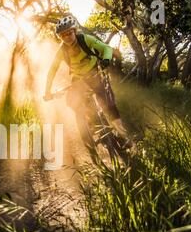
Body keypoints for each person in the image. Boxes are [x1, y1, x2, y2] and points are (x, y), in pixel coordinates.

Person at [44, 16, 129, 145]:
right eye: (63, 35)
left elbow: (106, 48)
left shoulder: (85, 39)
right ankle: (89, 134)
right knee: (75, 104)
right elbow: (51, 71)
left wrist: (106, 59)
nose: (67, 37)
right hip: (78, 79)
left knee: (108, 103)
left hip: (95, 73)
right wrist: (47, 91)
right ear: (60, 37)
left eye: (69, 33)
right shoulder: (62, 51)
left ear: (74, 31)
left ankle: (123, 136)